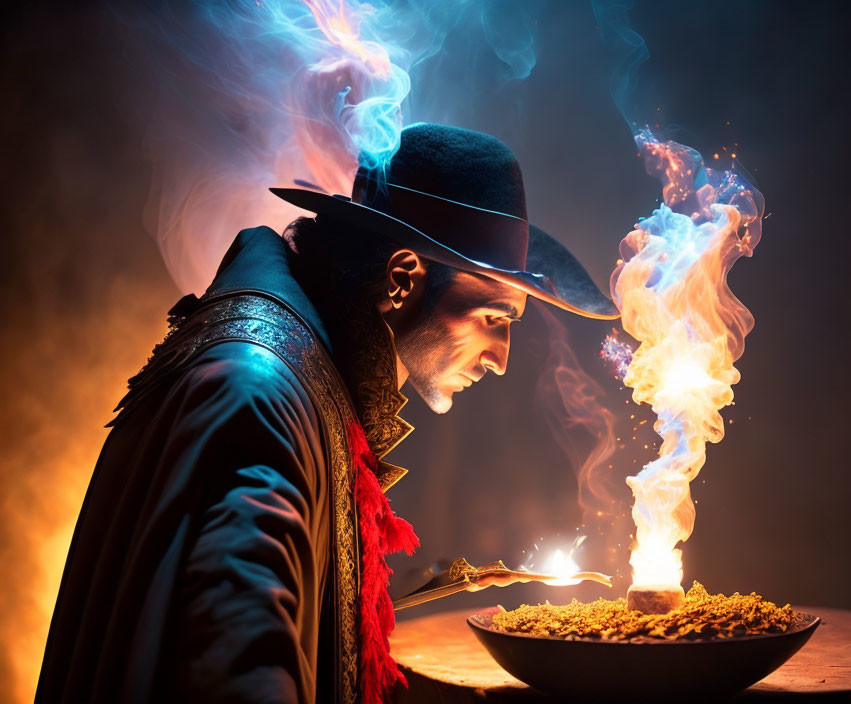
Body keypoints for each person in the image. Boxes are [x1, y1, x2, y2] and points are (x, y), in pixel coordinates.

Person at [36, 123, 617, 704]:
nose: (500, 360)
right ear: (403, 276)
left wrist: (432, 587)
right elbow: (238, 652)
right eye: (496, 317)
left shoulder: (298, 370)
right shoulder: (261, 395)